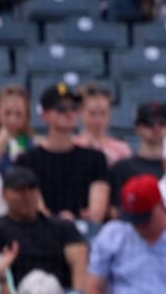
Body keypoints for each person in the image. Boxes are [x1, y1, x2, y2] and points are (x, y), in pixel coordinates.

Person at [15, 83, 109, 224]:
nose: (69, 113)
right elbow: (34, 208)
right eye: (61, 109)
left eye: (73, 108)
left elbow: (96, 214)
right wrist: (59, 222)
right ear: (45, 116)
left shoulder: (95, 159)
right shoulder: (27, 161)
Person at [0, 171, 86, 291]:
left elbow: (79, 262)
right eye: (19, 190)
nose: (26, 195)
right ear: (4, 195)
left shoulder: (62, 228)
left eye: (31, 189)